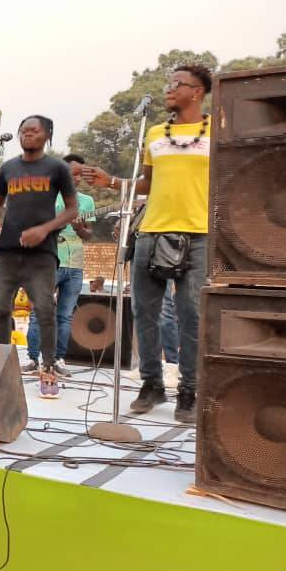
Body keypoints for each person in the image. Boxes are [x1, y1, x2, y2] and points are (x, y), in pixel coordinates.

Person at [82, 65, 212, 423]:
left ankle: (189, 391)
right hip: (151, 232)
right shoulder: (155, 133)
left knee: (191, 315)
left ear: (197, 91)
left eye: (177, 85)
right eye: (169, 84)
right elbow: (148, 183)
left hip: (198, 235)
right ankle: (152, 384)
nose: (169, 90)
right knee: (144, 312)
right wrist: (112, 183)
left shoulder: (217, 131)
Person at [0, 115, 78, 396]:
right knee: (0, 308)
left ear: (47, 135)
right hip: (9, 251)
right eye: (23, 130)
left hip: (42, 254)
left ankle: (47, 369)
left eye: (34, 130)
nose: (27, 134)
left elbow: (71, 210)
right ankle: (3, 366)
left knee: (45, 310)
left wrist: (44, 229)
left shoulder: (57, 167)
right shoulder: (8, 168)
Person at [23, 155, 95, 376]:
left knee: (65, 315)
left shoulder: (87, 201)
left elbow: (88, 234)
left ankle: (58, 359)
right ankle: (33, 359)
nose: (77, 179)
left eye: (80, 175)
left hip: (75, 265)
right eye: (73, 174)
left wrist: (81, 227)